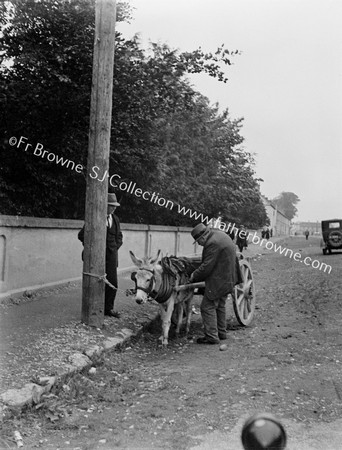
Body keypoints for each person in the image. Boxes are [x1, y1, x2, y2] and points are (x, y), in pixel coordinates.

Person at [189, 223, 240, 344]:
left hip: (219, 280)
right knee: (220, 305)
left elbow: (207, 266)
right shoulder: (221, 235)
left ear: (202, 238)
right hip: (229, 278)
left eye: (198, 242)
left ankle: (211, 336)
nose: (200, 244)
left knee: (207, 307)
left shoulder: (211, 243)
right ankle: (221, 333)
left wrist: (193, 276)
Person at [78, 192, 123, 318]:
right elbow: (81, 235)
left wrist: (114, 248)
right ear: (104, 205)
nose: (114, 208)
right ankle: (93, 309)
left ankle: (108, 309)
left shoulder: (115, 219)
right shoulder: (95, 217)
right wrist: (94, 248)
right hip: (96, 258)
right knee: (95, 282)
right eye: (111, 205)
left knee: (113, 283)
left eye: (115, 206)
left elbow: (119, 237)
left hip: (112, 257)